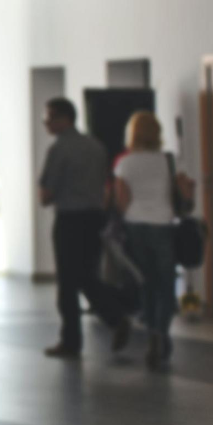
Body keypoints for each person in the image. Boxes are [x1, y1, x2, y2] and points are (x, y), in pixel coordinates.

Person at [39, 97, 131, 359]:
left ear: (63, 119)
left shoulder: (58, 149)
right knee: (87, 276)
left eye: (49, 118)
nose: (46, 124)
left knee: (68, 282)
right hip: (94, 219)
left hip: (69, 220)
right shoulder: (96, 146)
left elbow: (46, 194)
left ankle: (72, 340)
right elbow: (105, 185)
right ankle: (115, 316)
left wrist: (49, 194)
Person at [114, 111, 194, 369]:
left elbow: (121, 199)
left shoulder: (125, 163)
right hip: (163, 225)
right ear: (157, 133)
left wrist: (131, 216)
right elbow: (185, 192)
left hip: (136, 226)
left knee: (146, 282)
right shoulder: (168, 161)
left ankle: (151, 334)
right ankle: (161, 333)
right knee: (165, 283)